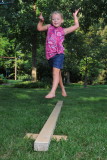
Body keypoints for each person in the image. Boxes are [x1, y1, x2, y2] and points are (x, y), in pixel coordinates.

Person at [37, 9, 79, 98]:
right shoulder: (48, 27)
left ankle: (53, 92)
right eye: (53, 19)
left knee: (55, 72)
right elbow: (39, 28)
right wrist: (41, 21)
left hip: (59, 54)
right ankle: (63, 88)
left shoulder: (64, 30)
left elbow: (76, 26)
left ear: (62, 20)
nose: (55, 21)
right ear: (51, 20)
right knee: (58, 73)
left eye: (57, 19)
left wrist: (75, 16)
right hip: (49, 55)